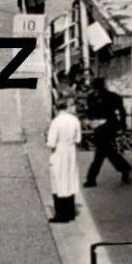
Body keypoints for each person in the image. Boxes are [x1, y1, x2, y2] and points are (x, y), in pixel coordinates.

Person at [83, 78, 132, 187]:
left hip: (107, 126)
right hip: (105, 126)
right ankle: (125, 168)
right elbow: (122, 112)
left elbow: (90, 113)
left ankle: (91, 178)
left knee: (100, 153)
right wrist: (122, 124)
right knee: (107, 152)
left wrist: (121, 124)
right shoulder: (112, 96)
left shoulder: (95, 98)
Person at [46, 95, 82, 223]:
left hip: (59, 153)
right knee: (69, 180)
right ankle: (70, 212)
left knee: (58, 182)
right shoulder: (75, 120)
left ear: (57, 108)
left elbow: (51, 143)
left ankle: (61, 214)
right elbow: (78, 139)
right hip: (70, 152)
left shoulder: (56, 122)